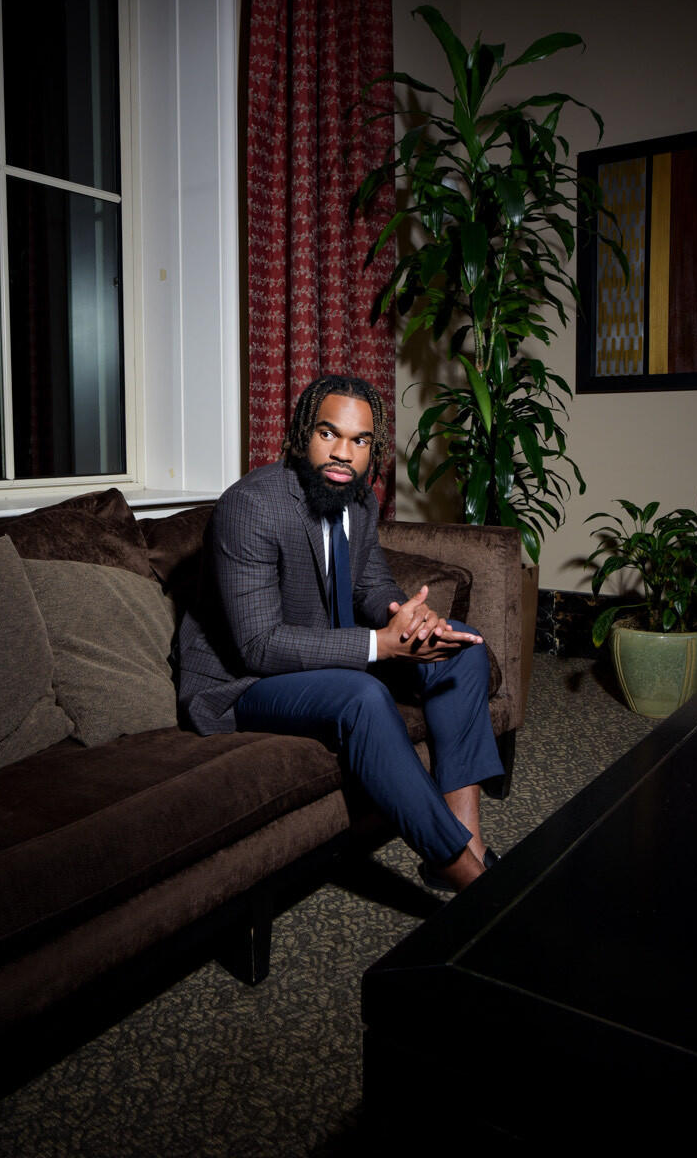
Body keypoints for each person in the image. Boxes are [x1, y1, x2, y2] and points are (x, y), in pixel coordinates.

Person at [177, 375, 503, 892]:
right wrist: (380, 644)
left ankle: (465, 843)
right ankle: (473, 880)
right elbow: (257, 645)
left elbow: (370, 584)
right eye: (329, 434)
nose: (343, 454)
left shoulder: (359, 502)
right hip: (241, 682)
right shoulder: (251, 505)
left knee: (460, 645)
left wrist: (407, 619)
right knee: (364, 695)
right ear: (302, 433)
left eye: (360, 441)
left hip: (319, 654)